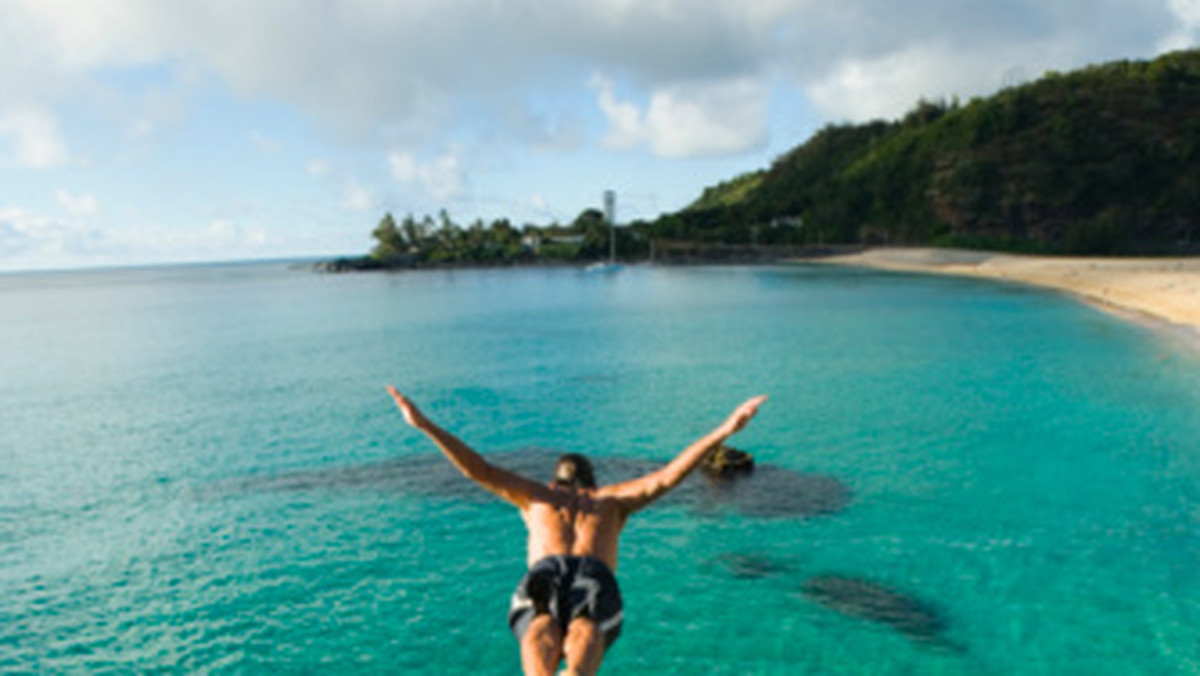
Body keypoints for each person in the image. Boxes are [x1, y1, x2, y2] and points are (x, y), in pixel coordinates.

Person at [387, 386, 767, 676]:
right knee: (552, 629)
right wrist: (725, 428)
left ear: (557, 476)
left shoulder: (567, 497)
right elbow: (670, 475)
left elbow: (478, 469)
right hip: (565, 574)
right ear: (588, 476)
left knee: (561, 630)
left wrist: (726, 428)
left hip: (578, 575)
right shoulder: (584, 498)